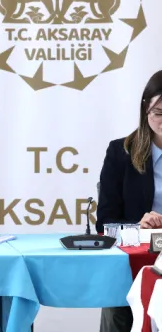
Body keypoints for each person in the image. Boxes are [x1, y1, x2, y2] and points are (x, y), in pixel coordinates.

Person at [97, 70, 162, 332]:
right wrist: (138, 226)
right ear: (146, 110)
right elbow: (105, 222)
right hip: (134, 259)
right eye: (159, 113)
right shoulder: (121, 152)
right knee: (117, 305)